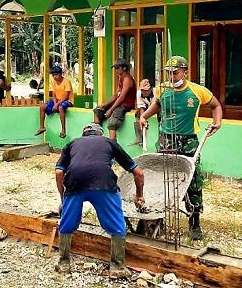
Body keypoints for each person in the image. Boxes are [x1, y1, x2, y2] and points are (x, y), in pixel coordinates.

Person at [139, 55, 222, 240]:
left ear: (185, 72)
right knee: (162, 180)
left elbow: (216, 105)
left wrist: (217, 122)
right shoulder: (162, 89)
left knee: (193, 181)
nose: (171, 76)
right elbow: (156, 105)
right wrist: (144, 116)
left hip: (188, 141)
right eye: (168, 73)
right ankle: (157, 220)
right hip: (166, 140)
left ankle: (194, 222)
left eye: (175, 73)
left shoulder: (197, 91)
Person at [54, 123, 145, 277]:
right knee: (117, 225)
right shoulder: (109, 142)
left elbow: (58, 172)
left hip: (74, 183)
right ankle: (117, 267)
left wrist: (63, 198)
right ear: (101, 134)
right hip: (104, 183)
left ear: (83, 135)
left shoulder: (72, 143)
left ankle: (63, 264)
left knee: (67, 223)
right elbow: (139, 173)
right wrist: (139, 195)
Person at [93, 58, 136, 140]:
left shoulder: (127, 79)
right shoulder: (120, 78)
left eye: (117, 68)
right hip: (118, 103)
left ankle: (113, 145)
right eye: (115, 68)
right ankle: (97, 137)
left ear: (124, 68)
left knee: (111, 125)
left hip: (125, 105)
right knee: (97, 110)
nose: (116, 70)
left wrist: (110, 110)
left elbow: (122, 97)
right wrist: (104, 104)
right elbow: (116, 95)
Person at [35, 66, 73, 138]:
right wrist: (55, 103)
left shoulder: (66, 82)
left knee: (61, 107)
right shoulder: (54, 82)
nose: (54, 76)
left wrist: (57, 104)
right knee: (42, 106)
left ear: (60, 74)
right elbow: (54, 94)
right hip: (57, 101)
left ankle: (63, 130)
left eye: (56, 74)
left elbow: (66, 96)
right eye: (53, 75)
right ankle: (42, 127)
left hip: (68, 101)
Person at [131, 78, 154, 146]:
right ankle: (139, 137)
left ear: (151, 89)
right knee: (137, 114)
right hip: (147, 106)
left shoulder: (156, 92)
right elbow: (141, 107)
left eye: (146, 90)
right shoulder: (139, 93)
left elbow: (156, 106)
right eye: (142, 90)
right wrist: (142, 118)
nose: (144, 92)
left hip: (157, 107)